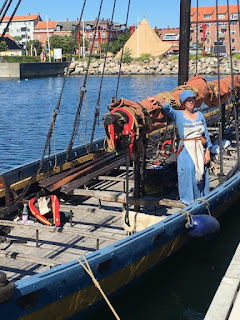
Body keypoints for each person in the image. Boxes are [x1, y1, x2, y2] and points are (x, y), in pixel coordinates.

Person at [149, 90, 212, 205]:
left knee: (202, 170)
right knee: (188, 170)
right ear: (183, 103)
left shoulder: (200, 115)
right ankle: (188, 200)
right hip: (186, 149)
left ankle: (202, 197)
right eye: (188, 100)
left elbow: (206, 135)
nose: (190, 102)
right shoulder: (179, 115)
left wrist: (207, 152)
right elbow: (168, 109)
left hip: (199, 147)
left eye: (192, 100)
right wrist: (158, 101)